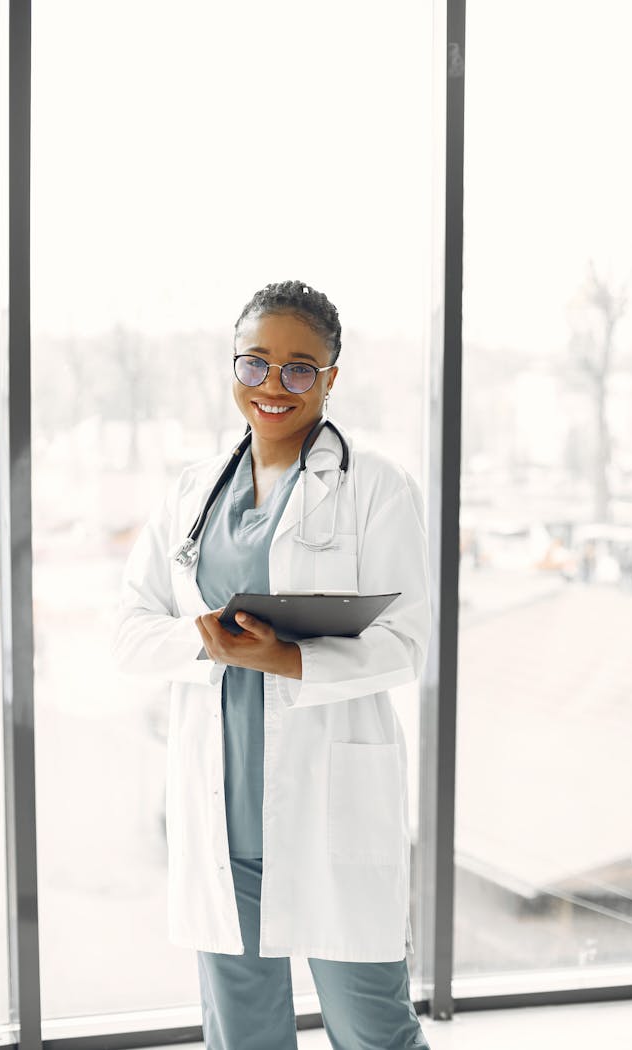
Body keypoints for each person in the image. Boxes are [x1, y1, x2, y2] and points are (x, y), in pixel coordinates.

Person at [112, 280, 432, 1050]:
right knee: (243, 1032)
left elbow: (408, 640)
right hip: (224, 813)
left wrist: (288, 657)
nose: (273, 387)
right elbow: (129, 630)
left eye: (298, 368)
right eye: (254, 364)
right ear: (233, 367)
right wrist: (205, 639)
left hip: (329, 802)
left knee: (373, 1029)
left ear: (330, 377)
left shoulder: (376, 489)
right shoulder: (192, 492)